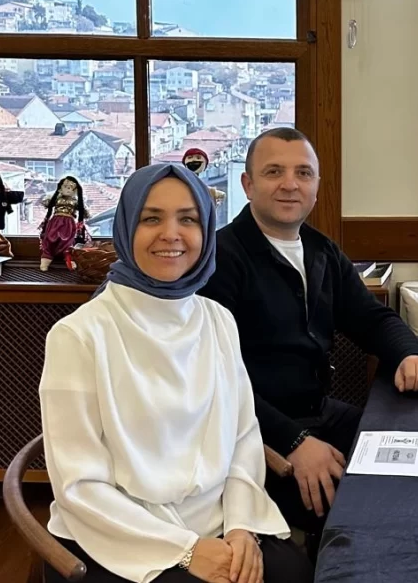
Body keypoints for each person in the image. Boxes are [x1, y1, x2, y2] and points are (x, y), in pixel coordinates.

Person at [40, 163, 313, 583]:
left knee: (294, 573)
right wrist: (186, 550)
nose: (171, 234)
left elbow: (243, 437)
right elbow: (80, 485)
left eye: (188, 219)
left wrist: (241, 526)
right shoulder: (78, 335)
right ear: (126, 227)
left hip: (217, 520)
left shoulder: (218, 320)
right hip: (119, 532)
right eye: (151, 219)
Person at [198, 128, 418, 536]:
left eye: (303, 173)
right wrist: (294, 441)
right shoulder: (221, 260)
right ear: (247, 184)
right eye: (274, 172)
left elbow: (371, 318)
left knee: (412, 454)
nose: (290, 184)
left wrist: (409, 354)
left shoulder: (320, 249)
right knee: (363, 508)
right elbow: (215, 382)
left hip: (319, 411)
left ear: (316, 186)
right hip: (251, 433)